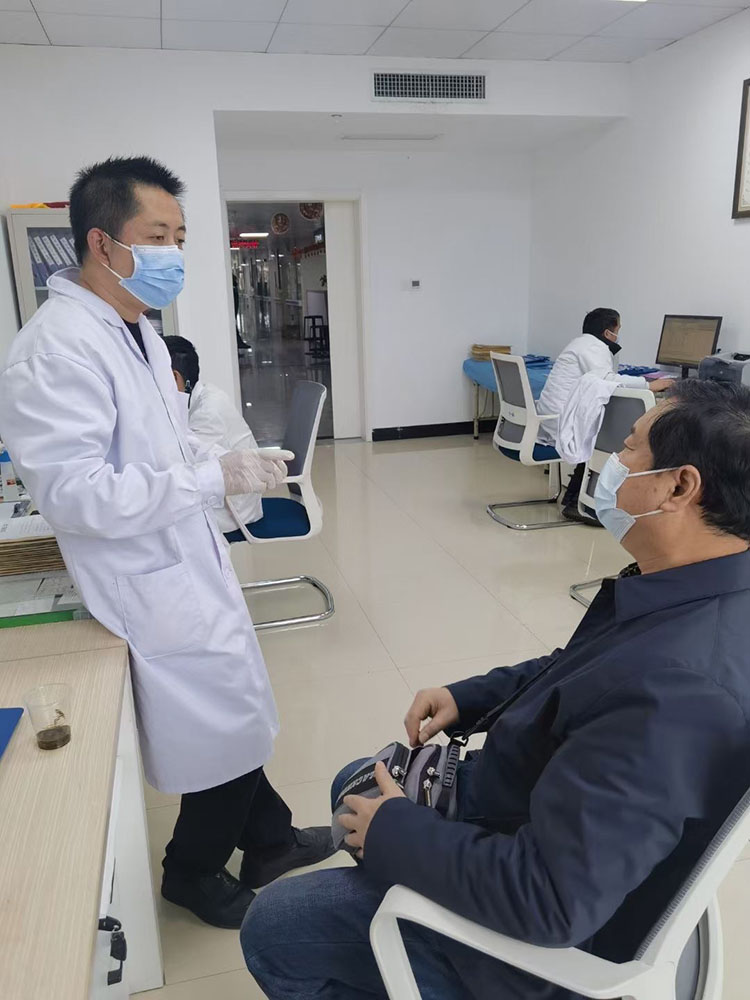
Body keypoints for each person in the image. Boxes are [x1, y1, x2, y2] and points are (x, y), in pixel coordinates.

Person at [241, 379, 750, 1000]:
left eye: (628, 448)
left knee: (275, 924)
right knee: (355, 783)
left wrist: (395, 833)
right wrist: (471, 697)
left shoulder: (677, 692)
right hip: (548, 807)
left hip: (542, 941)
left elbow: (550, 901)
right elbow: (584, 671)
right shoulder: (700, 590)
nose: (612, 463)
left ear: (678, 487)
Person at [0, 156, 333, 930]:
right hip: (144, 576)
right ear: (102, 242)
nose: (173, 252)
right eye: (157, 236)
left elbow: (164, 444)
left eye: (180, 237)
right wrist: (211, 477)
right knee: (222, 721)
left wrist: (220, 463)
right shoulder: (57, 348)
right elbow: (77, 495)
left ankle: (271, 838)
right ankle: (191, 873)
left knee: (236, 713)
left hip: (182, 555)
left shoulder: (137, 331)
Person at [537, 307, 673, 523]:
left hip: (552, 418)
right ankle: (579, 503)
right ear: (608, 332)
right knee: (616, 435)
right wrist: (649, 385)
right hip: (561, 422)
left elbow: (605, 377)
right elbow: (608, 379)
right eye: (618, 330)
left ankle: (575, 497)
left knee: (605, 428)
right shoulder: (594, 347)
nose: (618, 335)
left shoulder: (582, 344)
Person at [164, 335, 263, 538]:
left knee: (158, 525)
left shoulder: (207, 412)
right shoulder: (202, 393)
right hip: (228, 494)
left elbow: (186, 466)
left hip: (233, 509)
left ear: (174, 378)